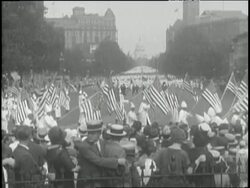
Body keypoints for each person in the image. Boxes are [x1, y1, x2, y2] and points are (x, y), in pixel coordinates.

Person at [74, 120, 127, 188]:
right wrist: (117, 161)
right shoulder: (84, 146)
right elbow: (98, 160)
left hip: (101, 181)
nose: (98, 135)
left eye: (98, 133)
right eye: (91, 134)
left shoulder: (102, 142)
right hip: (88, 182)